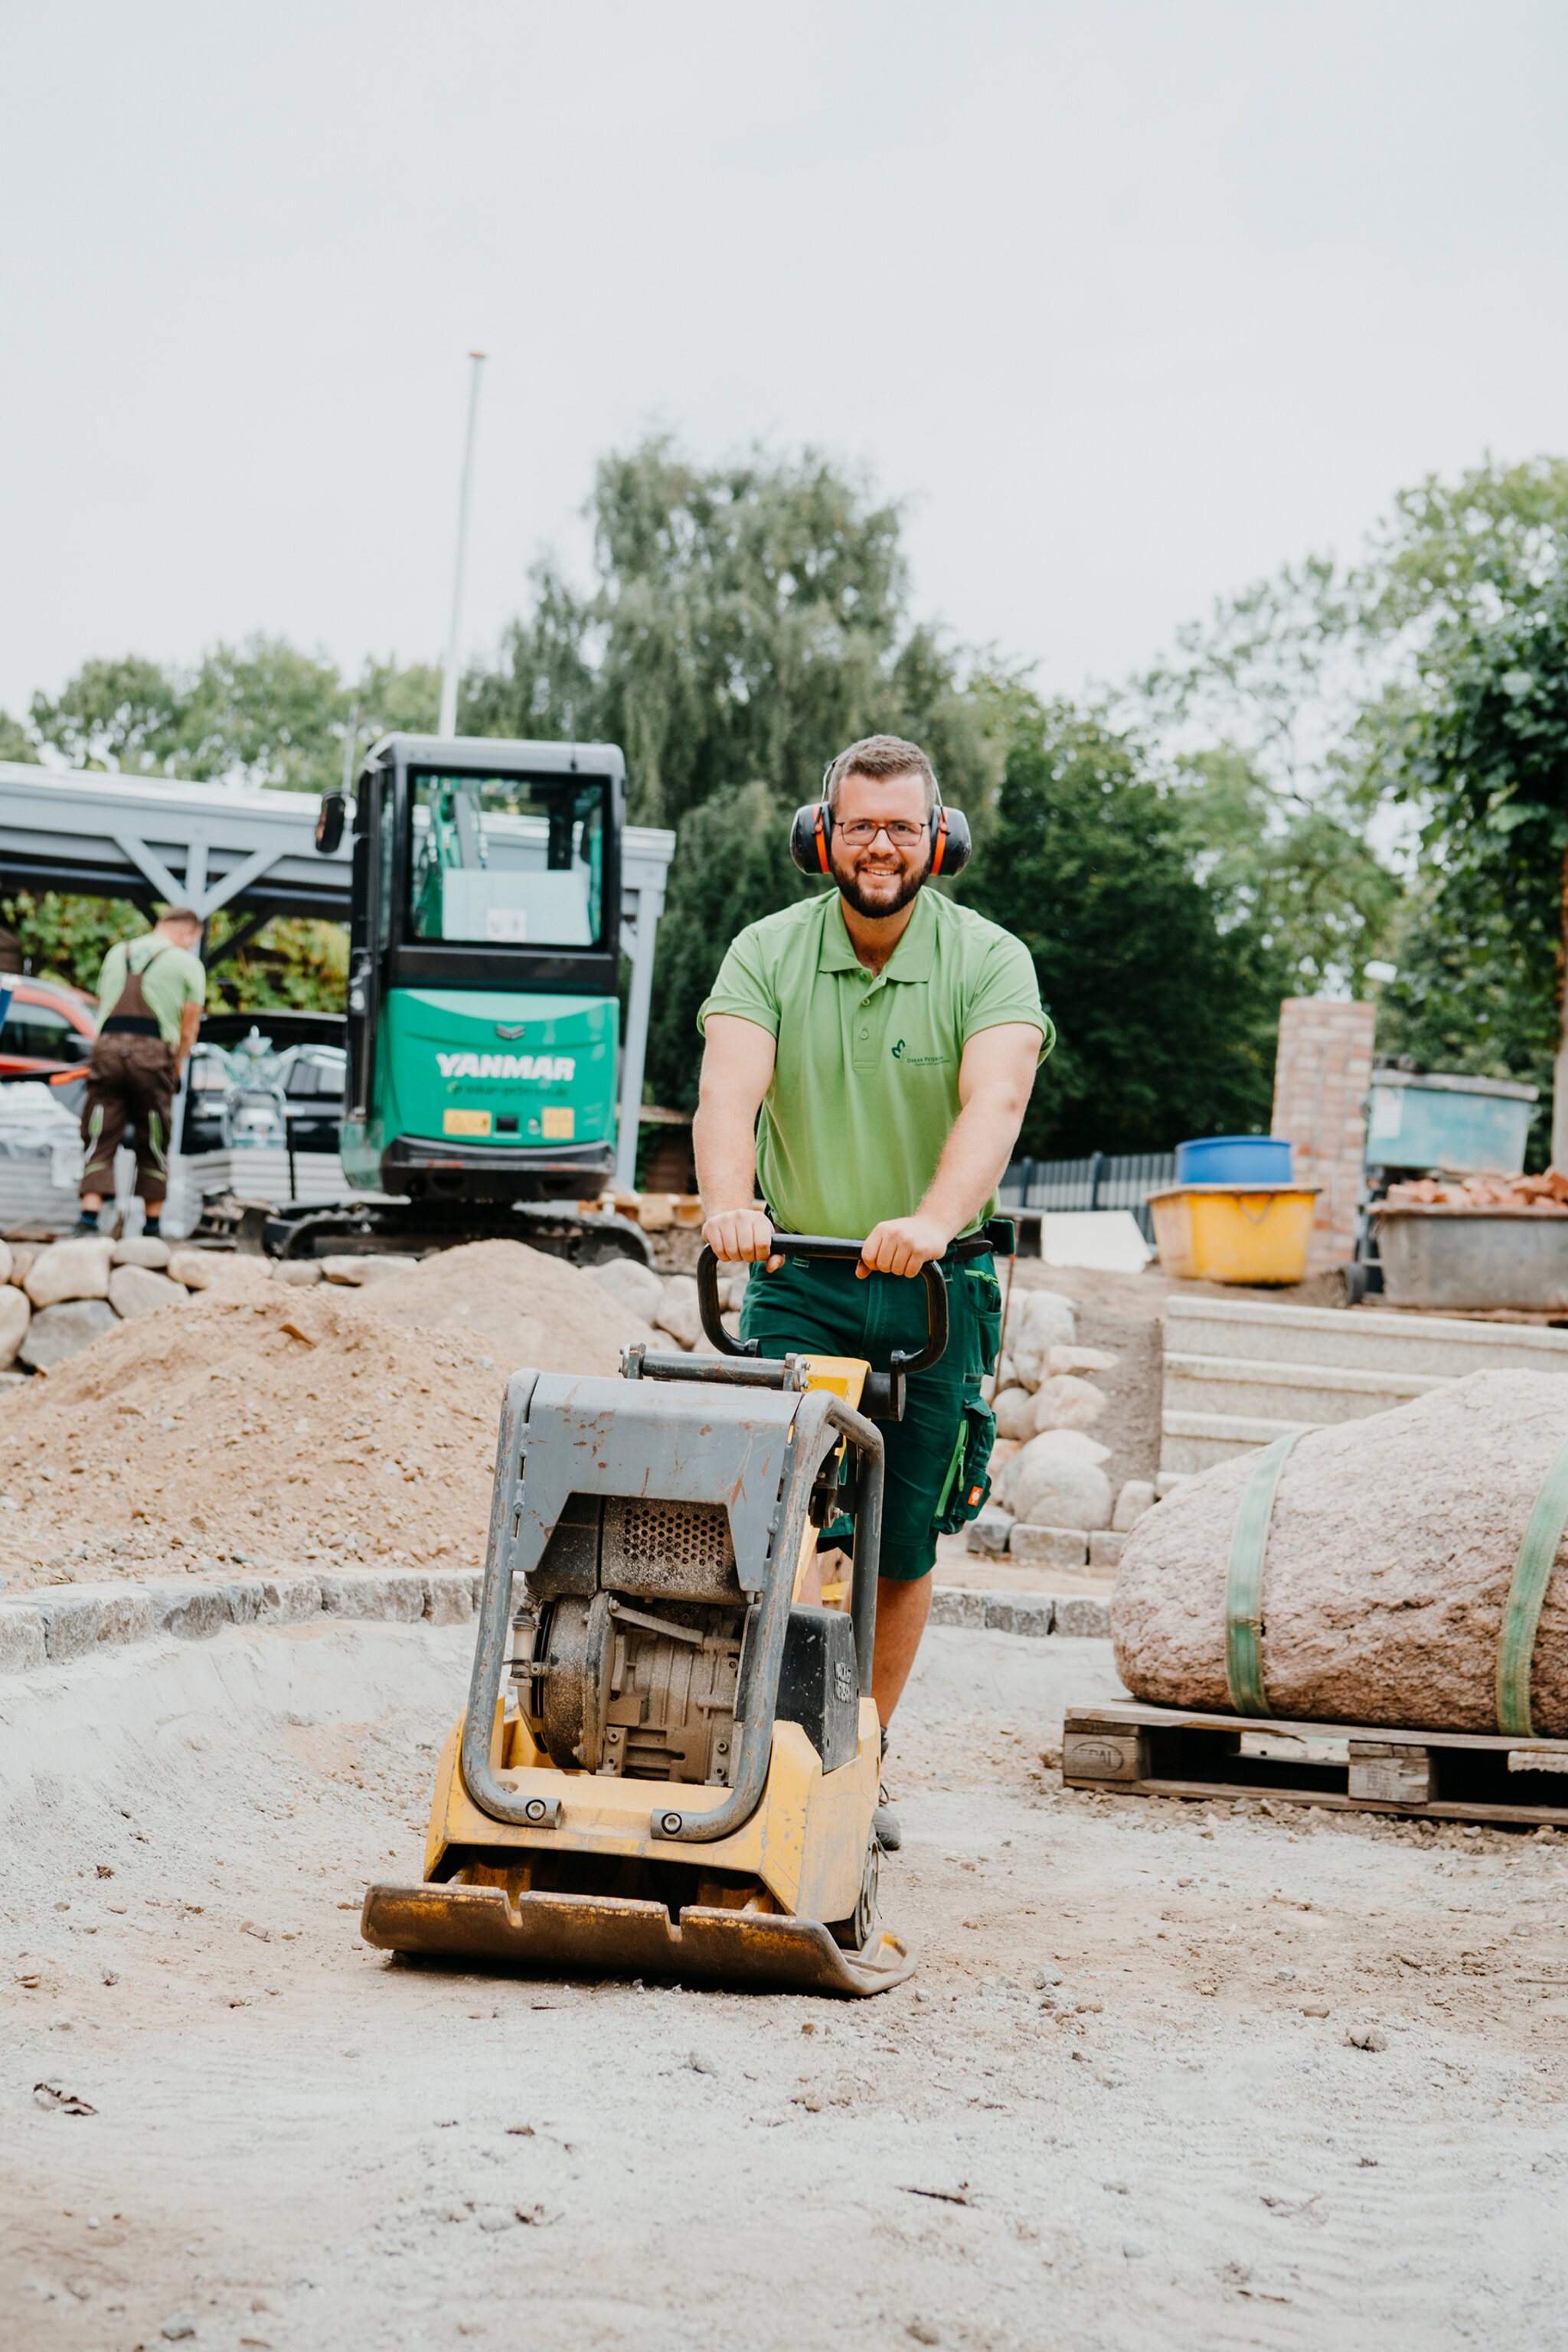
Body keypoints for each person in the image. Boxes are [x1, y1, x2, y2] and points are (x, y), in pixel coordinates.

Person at [694, 733, 1051, 1845]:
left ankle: (861, 1759)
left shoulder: (991, 961)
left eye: (902, 826)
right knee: (757, 1516)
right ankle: (737, 1735)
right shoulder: (765, 951)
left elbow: (992, 1102)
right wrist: (728, 1203)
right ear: (822, 837)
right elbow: (726, 1096)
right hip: (800, 1273)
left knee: (901, 1541)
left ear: (939, 840)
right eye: (860, 826)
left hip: (937, 1285)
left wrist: (934, 1221)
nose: (881, 846)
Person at [76, 909, 206, 1240]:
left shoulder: (118, 953)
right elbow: (189, 1030)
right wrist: (173, 1062)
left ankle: (88, 1220)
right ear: (189, 934)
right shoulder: (189, 964)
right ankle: (151, 1228)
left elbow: (104, 1006)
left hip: (107, 1049)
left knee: (100, 1129)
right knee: (155, 1134)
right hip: (153, 1054)